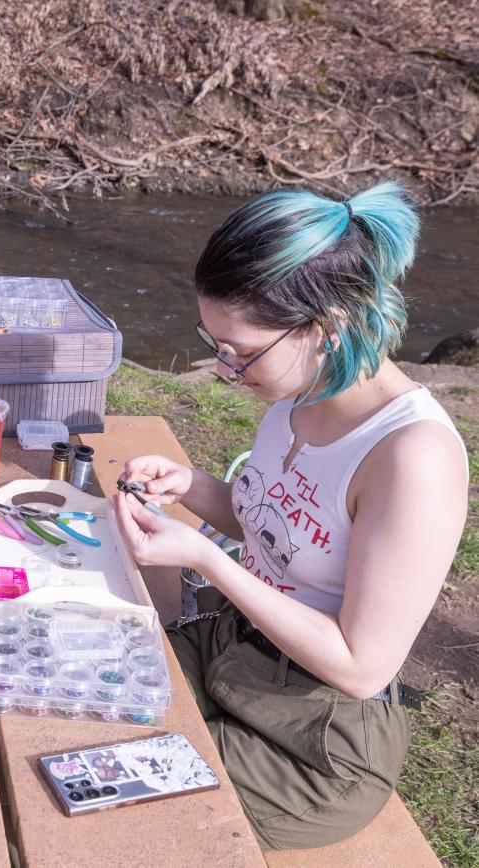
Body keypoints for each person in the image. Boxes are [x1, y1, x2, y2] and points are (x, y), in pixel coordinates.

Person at [110, 181, 468, 851]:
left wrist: (205, 558)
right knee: (85, 701)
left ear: (326, 327)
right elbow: (274, 527)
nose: (223, 369)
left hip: (315, 739)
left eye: (239, 350)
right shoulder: (302, 396)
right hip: (232, 647)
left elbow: (363, 665)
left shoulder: (412, 458)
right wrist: (190, 485)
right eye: (214, 342)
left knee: (127, 804)